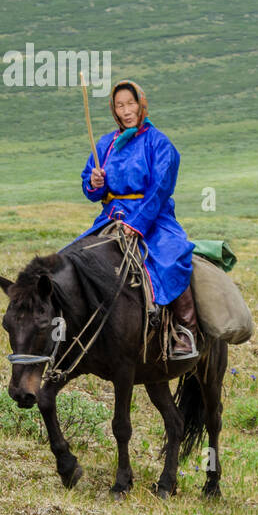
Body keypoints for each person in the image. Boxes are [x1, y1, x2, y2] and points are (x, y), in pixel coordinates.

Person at [78, 79, 197, 359]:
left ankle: (185, 331)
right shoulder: (106, 144)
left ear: (141, 104)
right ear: (114, 110)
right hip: (112, 216)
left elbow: (161, 187)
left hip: (153, 217)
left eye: (130, 103)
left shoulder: (158, 142)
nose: (126, 110)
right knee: (78, 258)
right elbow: (92, 190)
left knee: (173, 256)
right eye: (120, 105)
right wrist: (95, 182)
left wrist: (138, 223)